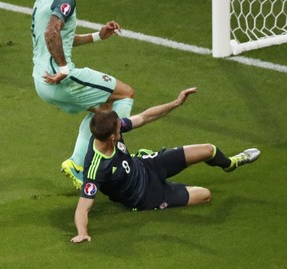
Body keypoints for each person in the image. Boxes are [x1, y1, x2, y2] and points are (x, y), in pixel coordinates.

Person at [70, 89, 261, 243]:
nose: (123, 125)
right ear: (112, 136)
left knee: (208, 150)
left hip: (148, 165)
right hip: (146, 196)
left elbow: (145, 117)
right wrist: (82, 233)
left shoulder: (112, 130)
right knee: (205, 195)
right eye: (119, 127)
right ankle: (170, 192)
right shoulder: (96, 167)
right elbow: (82, 208)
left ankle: (230, 163)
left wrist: (175, 103)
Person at [30, 0, 135, 189]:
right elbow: (51, 33)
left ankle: (77, 163)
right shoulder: (66, 0)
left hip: (41, 80)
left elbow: (61, 39)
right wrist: (65, 69)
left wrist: (98, 36)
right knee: (126, 93)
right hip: (60, 79)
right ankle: (117, 156)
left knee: (104, 109)